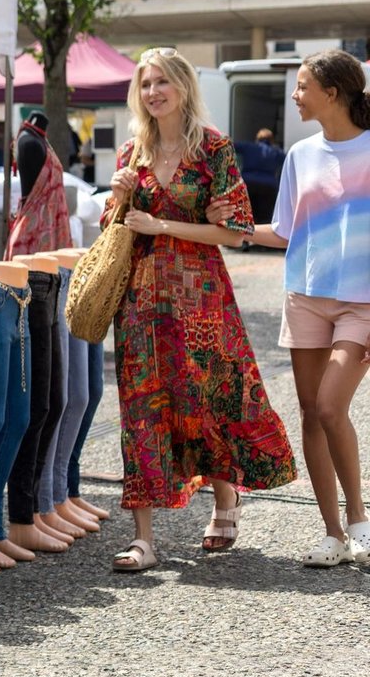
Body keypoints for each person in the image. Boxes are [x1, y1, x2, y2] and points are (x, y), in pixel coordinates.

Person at [103, 47, 295, 572]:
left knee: (208, 400)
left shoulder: (213, 149)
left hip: (201, 298)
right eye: (145, 84)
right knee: (142, 409)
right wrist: (118, 197)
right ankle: (143, 537)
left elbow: (234, 232)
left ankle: (226, 496)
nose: (153, 92)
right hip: (141, 301)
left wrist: (164, 225)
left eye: (163, 82)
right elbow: (111, 232)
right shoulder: (131, 153)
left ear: (184, 87)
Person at [217, 51, 370, 566]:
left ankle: (359, 521)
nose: (296, 95)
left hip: (362, 304)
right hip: (305, 295)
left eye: (303, 86)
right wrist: (230, 228)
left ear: (333, 92)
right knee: (310, 414)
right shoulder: (300, 155)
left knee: (330, 406)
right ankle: (332, 535)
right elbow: (283, 232)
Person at [234, 127, 286, 226]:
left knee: (246, 212)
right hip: (268, 186)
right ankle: (261, 239)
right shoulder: (276, 151)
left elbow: (231, 146)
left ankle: (245, 238)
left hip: (248, 183)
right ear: (272, 140)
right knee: (265, 216)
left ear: (257, 138)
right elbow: (287, 161)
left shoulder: (248, 146)